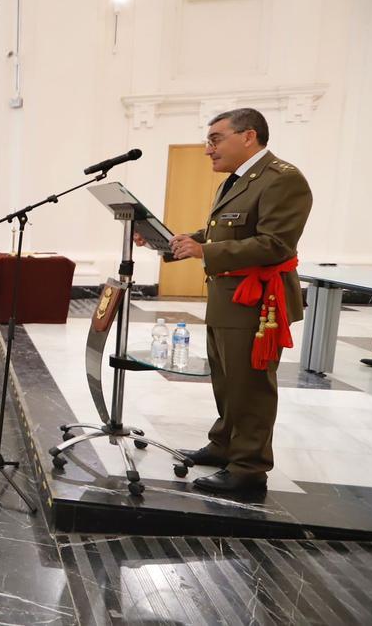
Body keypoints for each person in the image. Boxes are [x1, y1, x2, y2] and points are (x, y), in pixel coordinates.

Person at [147, 108, 312, 494]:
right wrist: (175, 243)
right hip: (228, 296)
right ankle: (224, 445)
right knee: (226, 378)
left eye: (215, 139)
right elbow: (219, 231)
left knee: (250, 384)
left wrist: (204, 251)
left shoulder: (282, 180)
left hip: (257, 302)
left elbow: (275, 244)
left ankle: (249, 468)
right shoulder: (238, 181)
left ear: (248, 136)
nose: (208, 149)